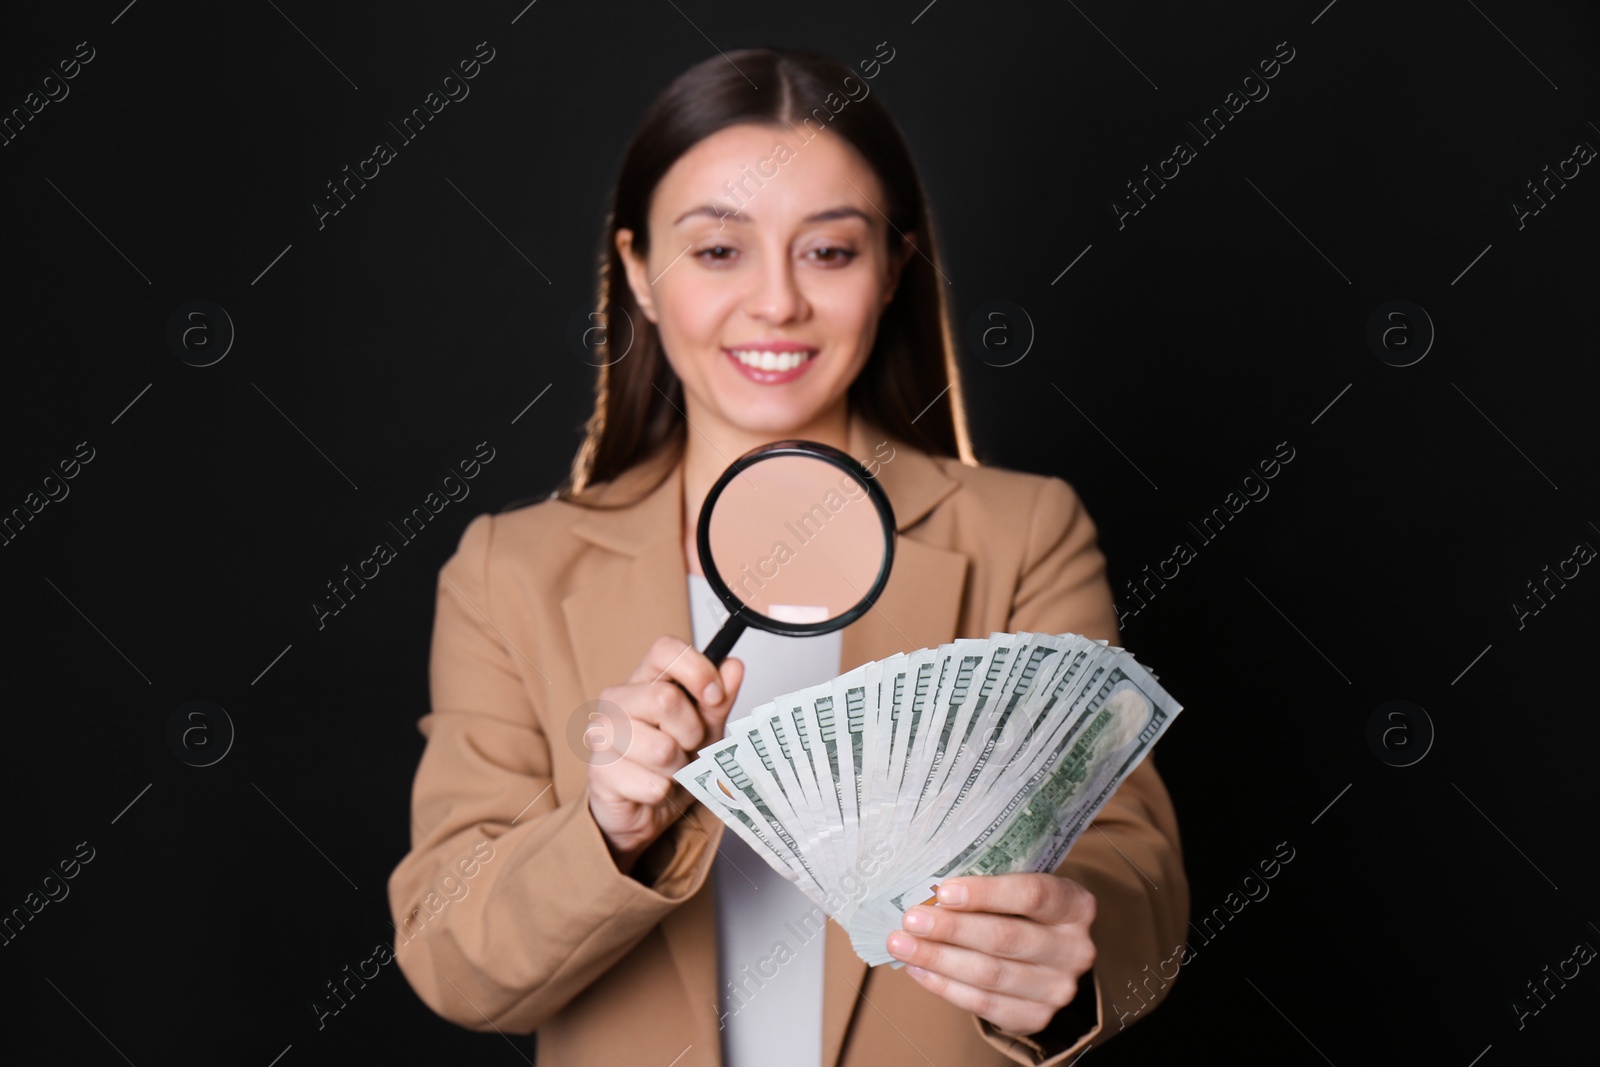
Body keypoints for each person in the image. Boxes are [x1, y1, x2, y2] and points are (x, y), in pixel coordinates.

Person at [388, 46, 1188, 1066]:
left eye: (829, 251)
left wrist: (1067, 959)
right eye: (717, 251)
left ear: (894, 267)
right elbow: (452, 960)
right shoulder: (509, 570)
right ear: (636, 269)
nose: (775, 304)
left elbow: (1139, 884)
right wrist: (604, 829)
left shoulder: (1022, 535)